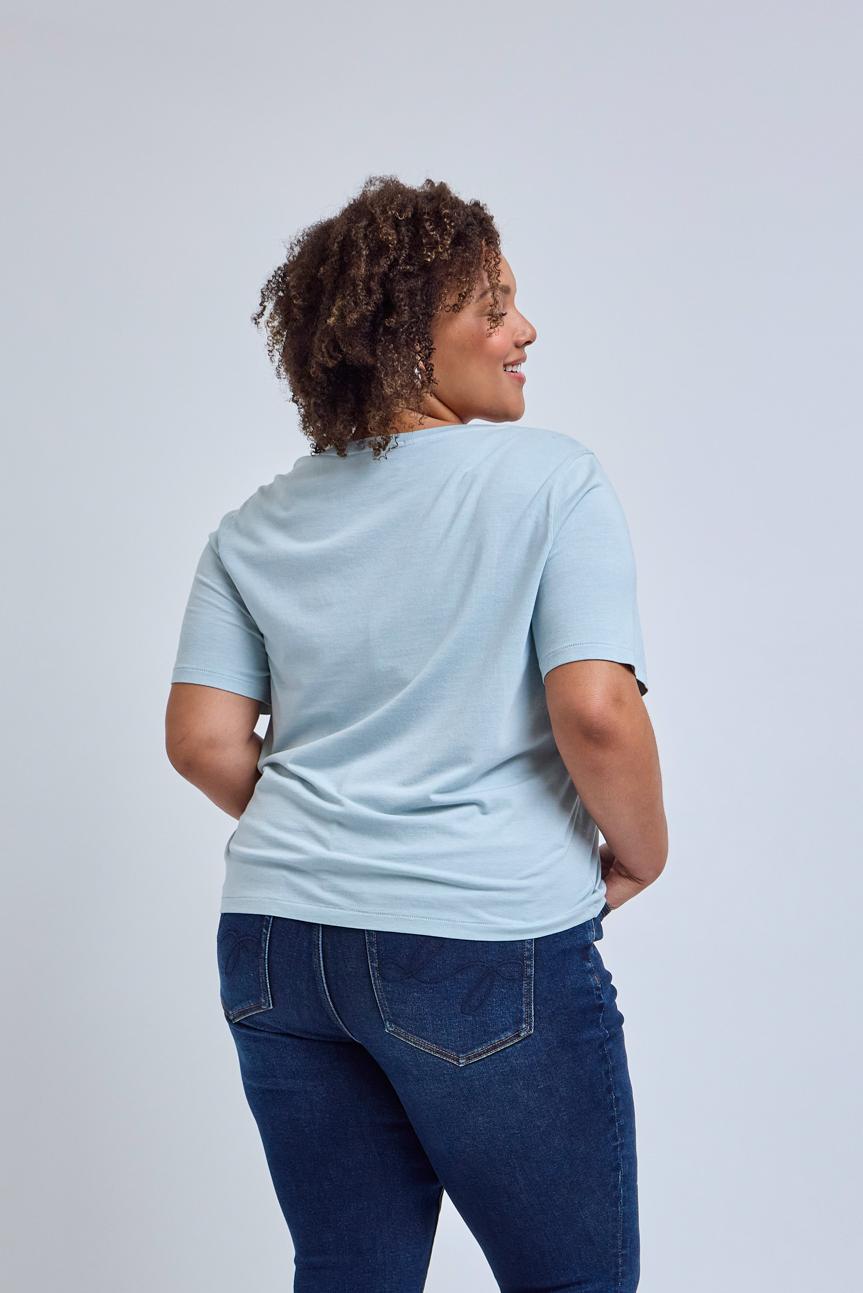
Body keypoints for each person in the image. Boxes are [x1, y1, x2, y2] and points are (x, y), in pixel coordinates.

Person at [165, 175, 668, 1293]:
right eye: (490, 307)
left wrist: (323, 821)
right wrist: (642, 851)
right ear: (403, 341)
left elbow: (201, 742)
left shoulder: (254, 525)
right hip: (478, 948)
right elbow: (594, 707)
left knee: (349, 1273)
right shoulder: (551, 481)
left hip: (275, 945)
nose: (523, 330)